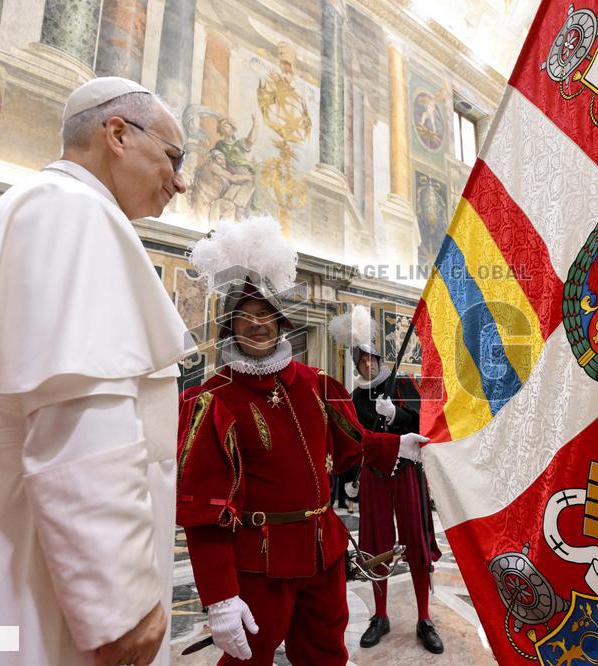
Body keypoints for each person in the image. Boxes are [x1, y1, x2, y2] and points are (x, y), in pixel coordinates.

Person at [0, 76, 192, 666]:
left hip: (3, 533)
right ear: (117, 135)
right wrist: (122, 602)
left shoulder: (34, 205)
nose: (180, 183)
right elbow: (81, 425)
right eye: (174, 158)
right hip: (36, 564)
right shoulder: (78, 216)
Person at [177, 217, 429, 664]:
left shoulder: (318, 384)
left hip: (324, 553)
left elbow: (354, 444)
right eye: (245, 318)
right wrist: (220, 598)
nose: (257, 326)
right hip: (259, 564)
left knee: (326, 656)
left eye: (266, 316)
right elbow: (203, 512)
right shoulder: (212, 400)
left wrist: (399, 445)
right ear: (230, 326)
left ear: (281, 323)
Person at [328, 306, 444, 654]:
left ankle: (424, 617)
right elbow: (353, 437)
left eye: (371, 358)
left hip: (408, 473)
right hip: (374, 477)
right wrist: (350, 477)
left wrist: (398, 414)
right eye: (361, 360)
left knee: (417, 544)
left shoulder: (404, 384)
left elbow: (425, 425)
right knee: (375, 546)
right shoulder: (357, 397)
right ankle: (380, 615)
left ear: (379, 356)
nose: (368, 364)